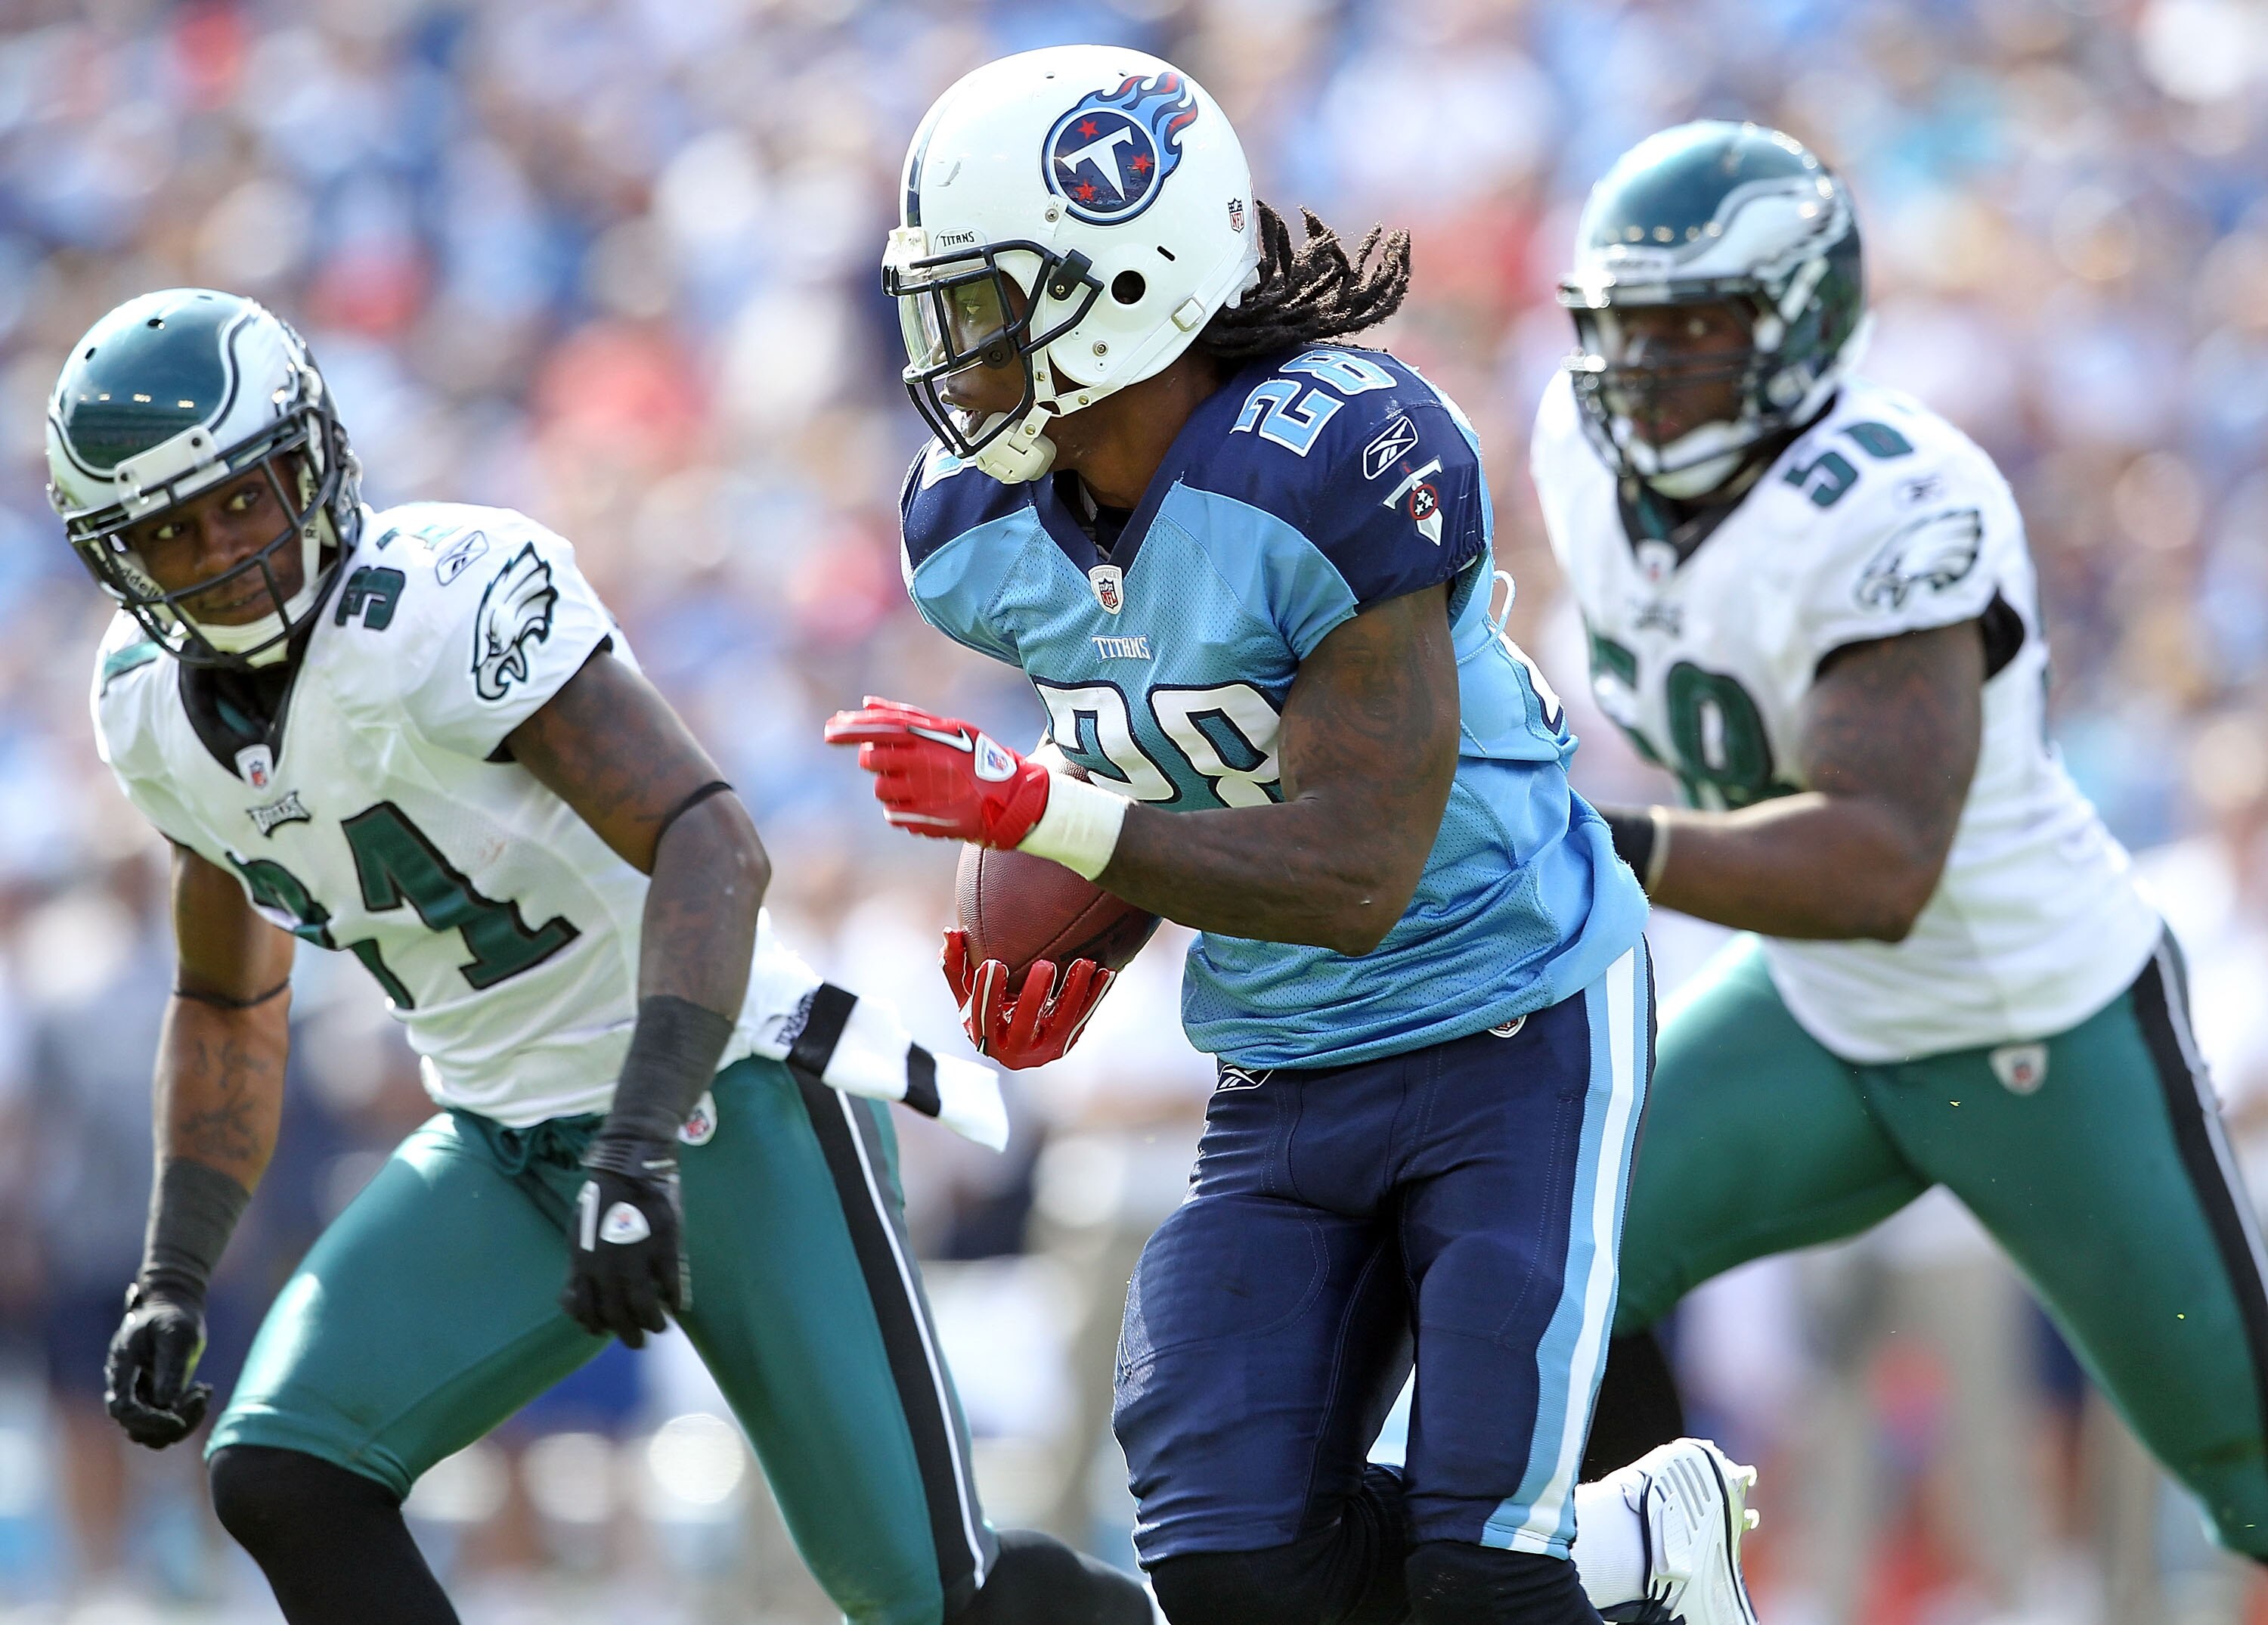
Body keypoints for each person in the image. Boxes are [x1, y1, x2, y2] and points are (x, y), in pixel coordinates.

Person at [48, 285, 1151, 1625]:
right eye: (172, 530)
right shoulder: (146, 710)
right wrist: (173, 1270)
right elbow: (226, 996)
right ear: (119, 560)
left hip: (724, 1092)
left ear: (317, 461)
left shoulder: (440, 602)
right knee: (286, 1468)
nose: (229, 550)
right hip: (504, 1133)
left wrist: (634, 1143)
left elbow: (710, 839)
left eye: (247, 495)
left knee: (926, 1596)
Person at [828, 45, 1760, 1625]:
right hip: (1281, 1059)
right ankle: (1625, 1542)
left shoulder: (1342, 456)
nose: (952, 351)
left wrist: (1041, 812)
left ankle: (1606, 1546)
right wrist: (1089, 923)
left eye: (988, 302)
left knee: (1484, 1581)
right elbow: (1165, 739)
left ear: (1120, 281)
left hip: (1510, 1022)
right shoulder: (981, 529)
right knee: (1231, 1568)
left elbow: (1352, 868)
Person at [1535, 120, 2268, 1571]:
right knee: (1545, 1271)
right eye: (1627, 326)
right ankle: (1627, 1582)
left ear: (1801, 323)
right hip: (1816, 1005)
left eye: (1698, 324)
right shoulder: (1577, 448)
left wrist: (1582, 840)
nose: (1650, 365)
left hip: (2030, 1020)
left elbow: (1880, 864)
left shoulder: (1893, 496)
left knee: (2248, 1455)